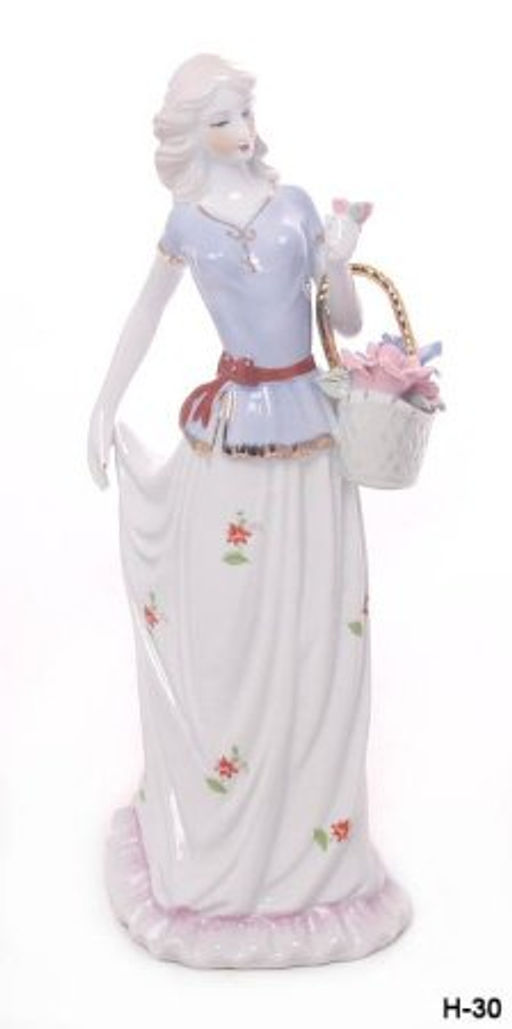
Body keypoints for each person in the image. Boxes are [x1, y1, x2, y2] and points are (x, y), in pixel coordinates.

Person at [87, 52, 411, 969]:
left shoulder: (296, 205)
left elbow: (344, 321)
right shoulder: (187, 223)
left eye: (244, 112)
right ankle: (229, 807)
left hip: (309, 434)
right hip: (233, 437)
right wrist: (104, 404)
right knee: (228, 620)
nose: (243, 129)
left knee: (317, 625)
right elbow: (145, 315)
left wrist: (339, 258)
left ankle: (308, 831)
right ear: (193, 132)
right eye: (223, 117)